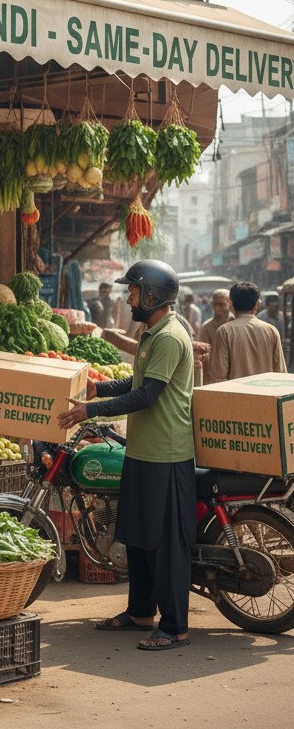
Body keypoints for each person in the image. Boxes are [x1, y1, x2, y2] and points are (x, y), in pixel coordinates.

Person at [58, 259, 195, 652]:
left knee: (165, 545)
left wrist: (91, 411)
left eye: (134, 291)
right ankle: (139, 613)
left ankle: (175, 627)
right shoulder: (152, 332)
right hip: (143, 452)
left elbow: (147, 395)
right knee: (137, 537)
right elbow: (134, 382)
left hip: (166, 456)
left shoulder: (169, 336)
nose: (129, 297)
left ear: (152, 295)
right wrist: (94, 389)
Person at [207, 281, 287, 382]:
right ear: (257, 304)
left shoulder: (224, 331)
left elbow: (218, 372)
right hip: (266, 396)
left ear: (231, 303)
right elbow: (281, 372)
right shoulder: (271, 330)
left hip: (237, 395)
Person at [198, 289, 233, 360]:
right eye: (215, 304)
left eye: (221, 304)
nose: (217, 308)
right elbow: (204, 354)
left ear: (230, 303)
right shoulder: (207, 327)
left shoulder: (237, 323)